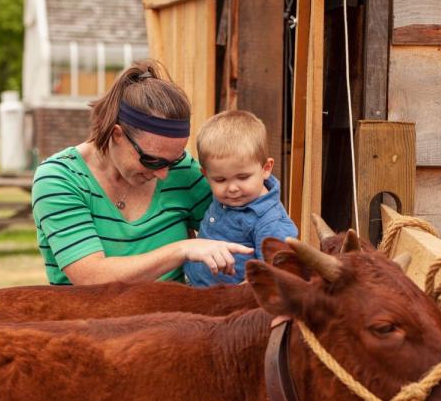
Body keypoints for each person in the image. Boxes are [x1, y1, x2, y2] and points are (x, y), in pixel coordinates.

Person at [32, 60, 252, 285]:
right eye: (152, 160)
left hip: (173, 319)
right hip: (88, 320)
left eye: (173, 160)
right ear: (117, 135)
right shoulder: (59, 179)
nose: (164, 173)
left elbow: (249, 219)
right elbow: (91, 278)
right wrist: (183, 249)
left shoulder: (182, 170)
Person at [183, 110, 298, 287]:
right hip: (194, 289)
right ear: (206, 175)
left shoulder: (270, 222)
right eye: (220, 180)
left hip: (229, 304)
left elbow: (278, 273)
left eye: (243, 177)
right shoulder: (226, 200)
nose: (232, 188)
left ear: (266, 168)